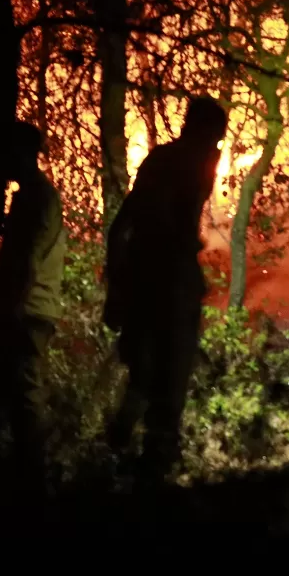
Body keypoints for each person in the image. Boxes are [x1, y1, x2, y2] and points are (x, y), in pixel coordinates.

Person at [104, 96, 228, 487]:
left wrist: (118, 289)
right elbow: (139, 223)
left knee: (147, 376)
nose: (217, 148)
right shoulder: (183, 164)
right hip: (164, 286)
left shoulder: (170, 162)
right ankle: (150, 470)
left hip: (160, 283)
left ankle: (121, 454)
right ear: (202, 132)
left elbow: (122, 225)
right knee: (166, 379)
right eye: (215, 139)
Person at [0, 122, 66, 492]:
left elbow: (30, 257)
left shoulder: (38, 197)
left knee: (25, 394)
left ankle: (34, 481)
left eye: (6, 153)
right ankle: (20, 477)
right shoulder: (29, 196)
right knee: (10, 394)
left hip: (28, 312)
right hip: (26, 310)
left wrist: (12, 308)